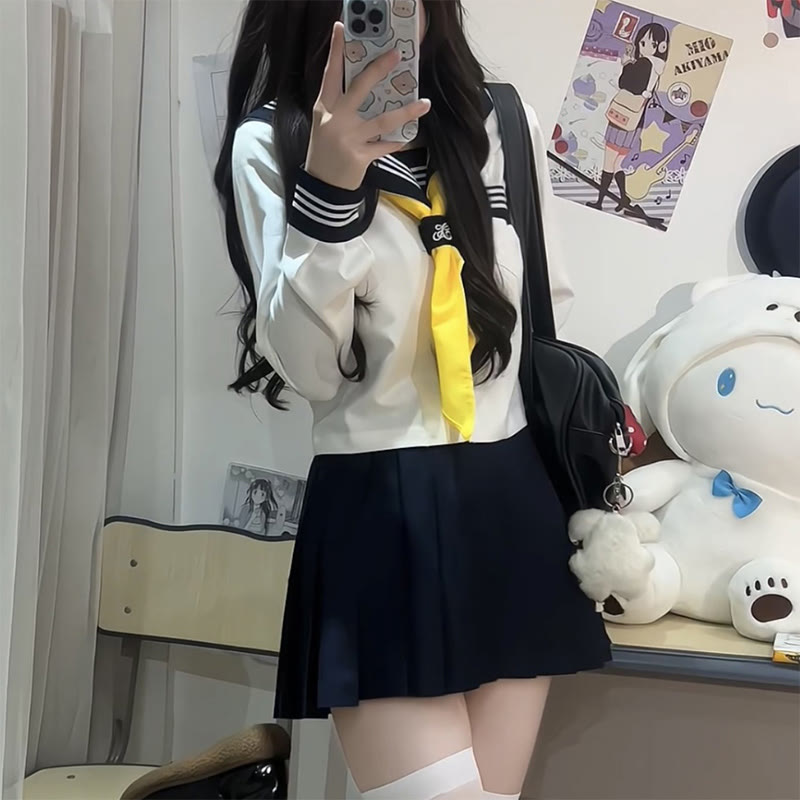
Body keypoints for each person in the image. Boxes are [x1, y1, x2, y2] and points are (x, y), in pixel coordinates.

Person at [215, 2, 611, 797]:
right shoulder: (274, 142)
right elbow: (309, 371)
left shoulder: (501, 122)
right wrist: (329, 191)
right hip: (380, 506)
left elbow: (546, 301)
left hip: (509, 495)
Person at [587, 22, 671, 212]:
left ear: (660, 46)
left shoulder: (643, 63)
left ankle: (599, 202)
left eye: (649, 43)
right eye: (642, 43)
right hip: (635, 121)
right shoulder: (657, 67)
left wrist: (626, 64)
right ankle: (624, 199)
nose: (644, 47)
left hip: (622, 119)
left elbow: (625, 84)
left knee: (609, 162)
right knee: (617, 163)